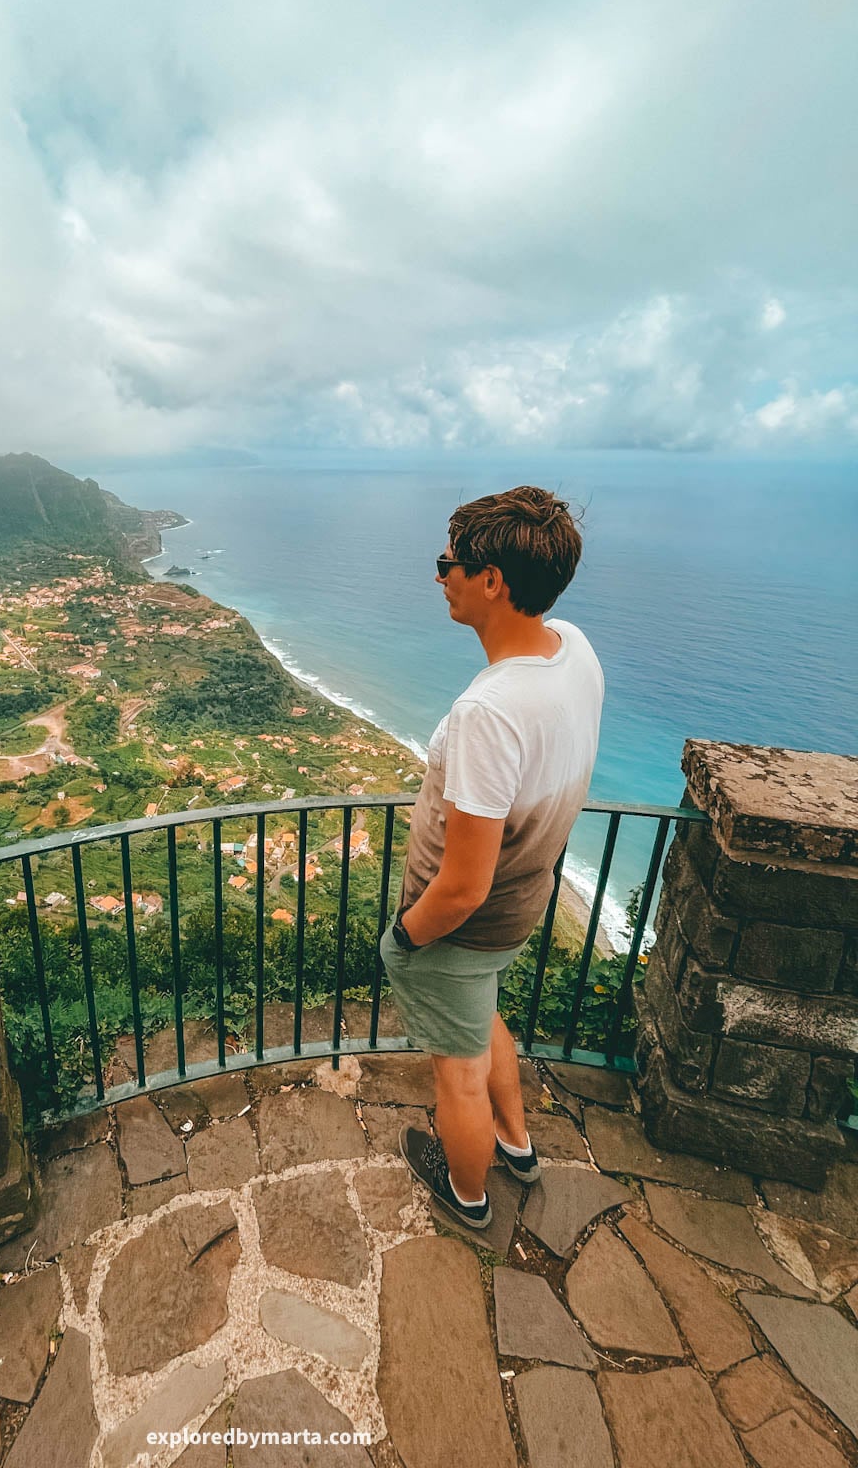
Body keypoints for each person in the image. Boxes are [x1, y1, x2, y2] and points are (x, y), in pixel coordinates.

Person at [380, 485, 603, 1231]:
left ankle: (466, 1195)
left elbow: (463, 885)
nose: (439, 574)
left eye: (449, 562)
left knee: (457, 1073)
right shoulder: (573, 650)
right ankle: (518, 1145)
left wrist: (406, 934)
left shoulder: (489, 713)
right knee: (482, 1022)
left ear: (491, 581)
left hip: (462, 928)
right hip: (524, 902)